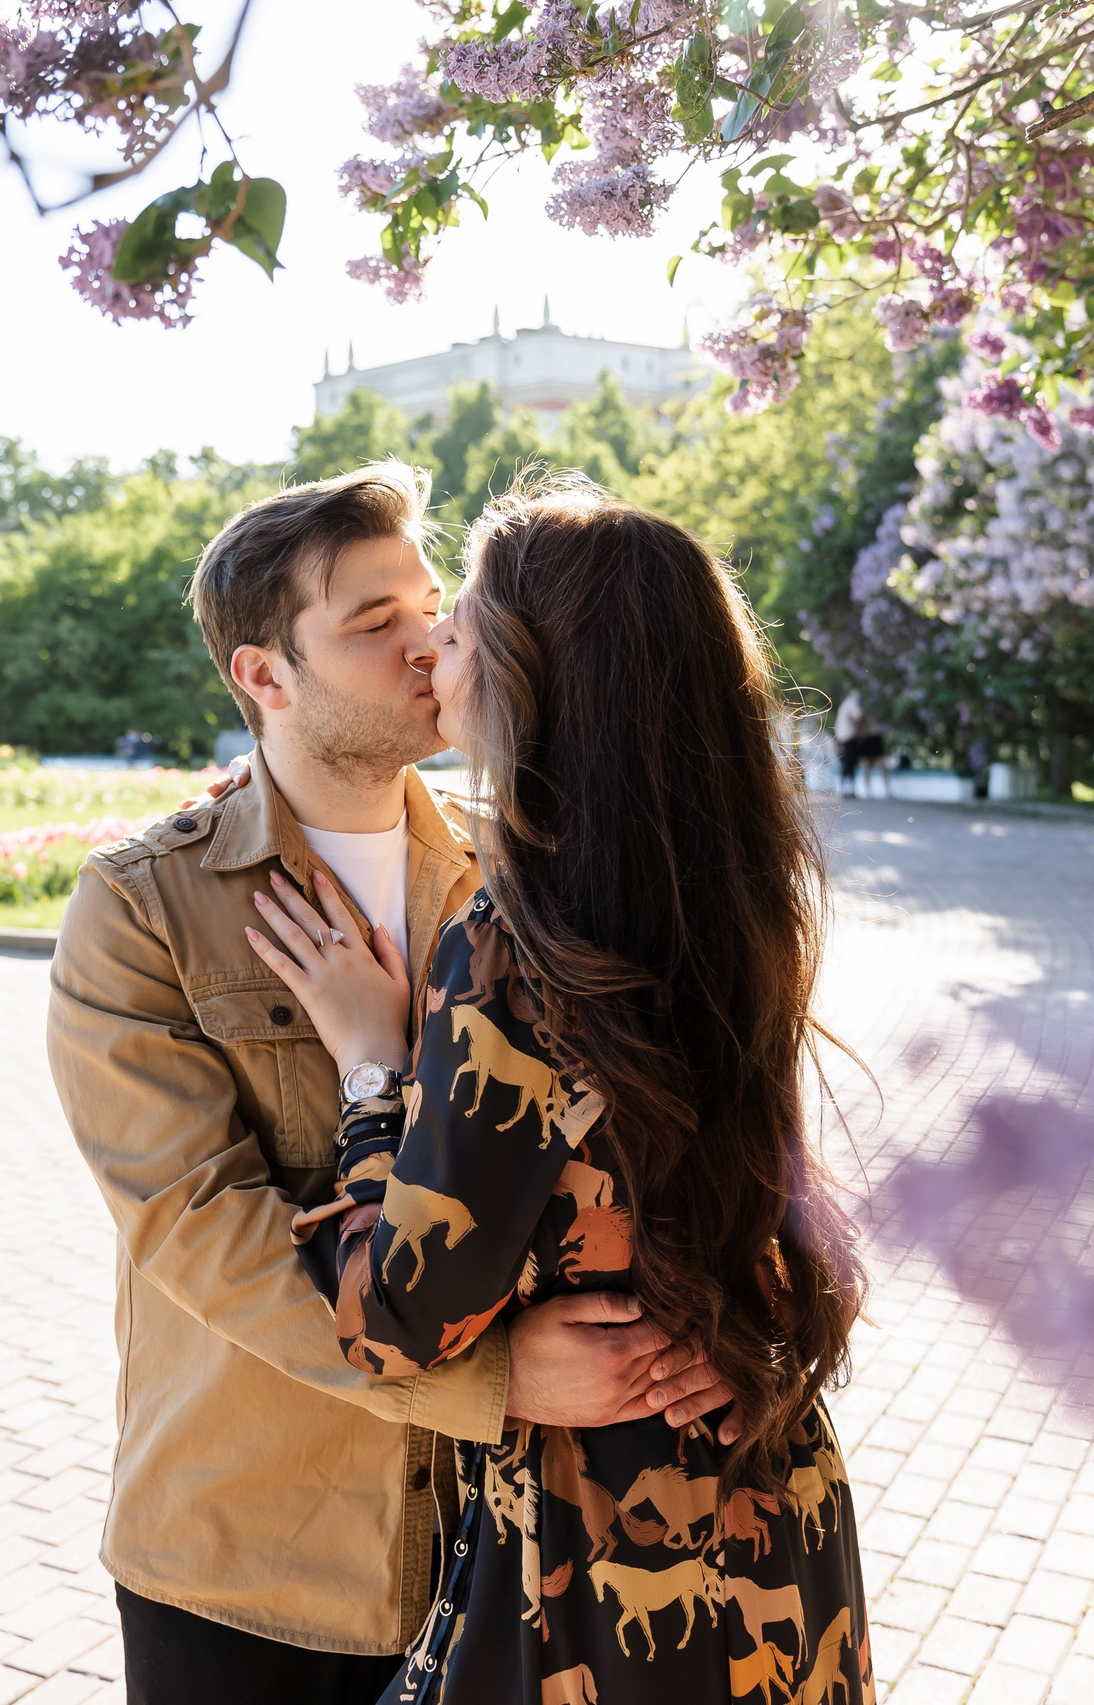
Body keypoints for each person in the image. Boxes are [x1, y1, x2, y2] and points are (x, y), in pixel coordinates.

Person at [47, 463, 743, 1705]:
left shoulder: (523, 871)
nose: (424, 642)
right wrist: (491, 1379)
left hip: (509, 1551)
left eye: (430, 606)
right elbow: (196, 1225)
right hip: (256, 1556)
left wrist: (729, 1326)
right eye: (373, 622)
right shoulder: (144, 905)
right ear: (264, 675)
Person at [246, 473, 874, 1704]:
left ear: (536, 676)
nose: (432, 644)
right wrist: (763, 1320)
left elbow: (398, 1319)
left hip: (607, 1552)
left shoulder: (517, 939)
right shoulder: (727, 896)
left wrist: (372, 1069)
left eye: (461, 620)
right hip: (773, 1507)